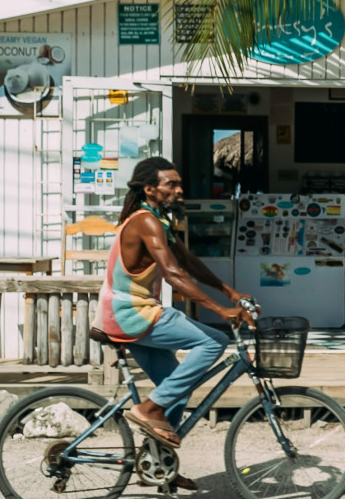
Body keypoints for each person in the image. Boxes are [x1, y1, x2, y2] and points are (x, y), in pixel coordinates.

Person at [95, 156, 247, 469]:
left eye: (179, 184)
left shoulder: (157, 220)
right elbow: (174, 274)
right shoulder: (144, 221)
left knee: (174, 392)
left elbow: (189, 263)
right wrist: (220, 309)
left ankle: (157, 464)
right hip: (133, 313)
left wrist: (229, 292)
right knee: (213, 342)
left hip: (128, 315)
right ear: (150, 189)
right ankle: (148, 411)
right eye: (172, 184)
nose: (180, 190)